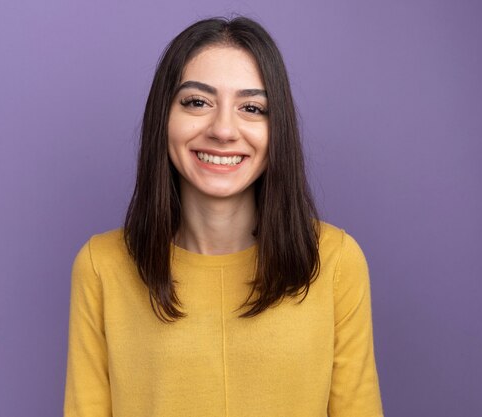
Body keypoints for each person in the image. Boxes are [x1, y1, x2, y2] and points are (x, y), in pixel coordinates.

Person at [64, 16, 383, 417]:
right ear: (163, 118)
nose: (223, 129)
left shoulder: (336, 261)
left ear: (277, 128)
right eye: (197, 102)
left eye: (252, 107)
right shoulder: (101, 267)